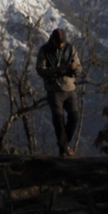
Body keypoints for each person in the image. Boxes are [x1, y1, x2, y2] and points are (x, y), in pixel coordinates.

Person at [36, 28, 81, 156]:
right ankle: (64, 148)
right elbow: (40, 70)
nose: (61, 45)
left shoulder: (70, 49)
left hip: (70, 88)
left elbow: (80, 68)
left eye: (62, 43)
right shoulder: (44, 51)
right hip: (54, 90)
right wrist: (56, 70)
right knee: (58, 120)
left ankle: (64, 144)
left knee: (74, 117)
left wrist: (75, 68)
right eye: (58, 43)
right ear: (53, 40)